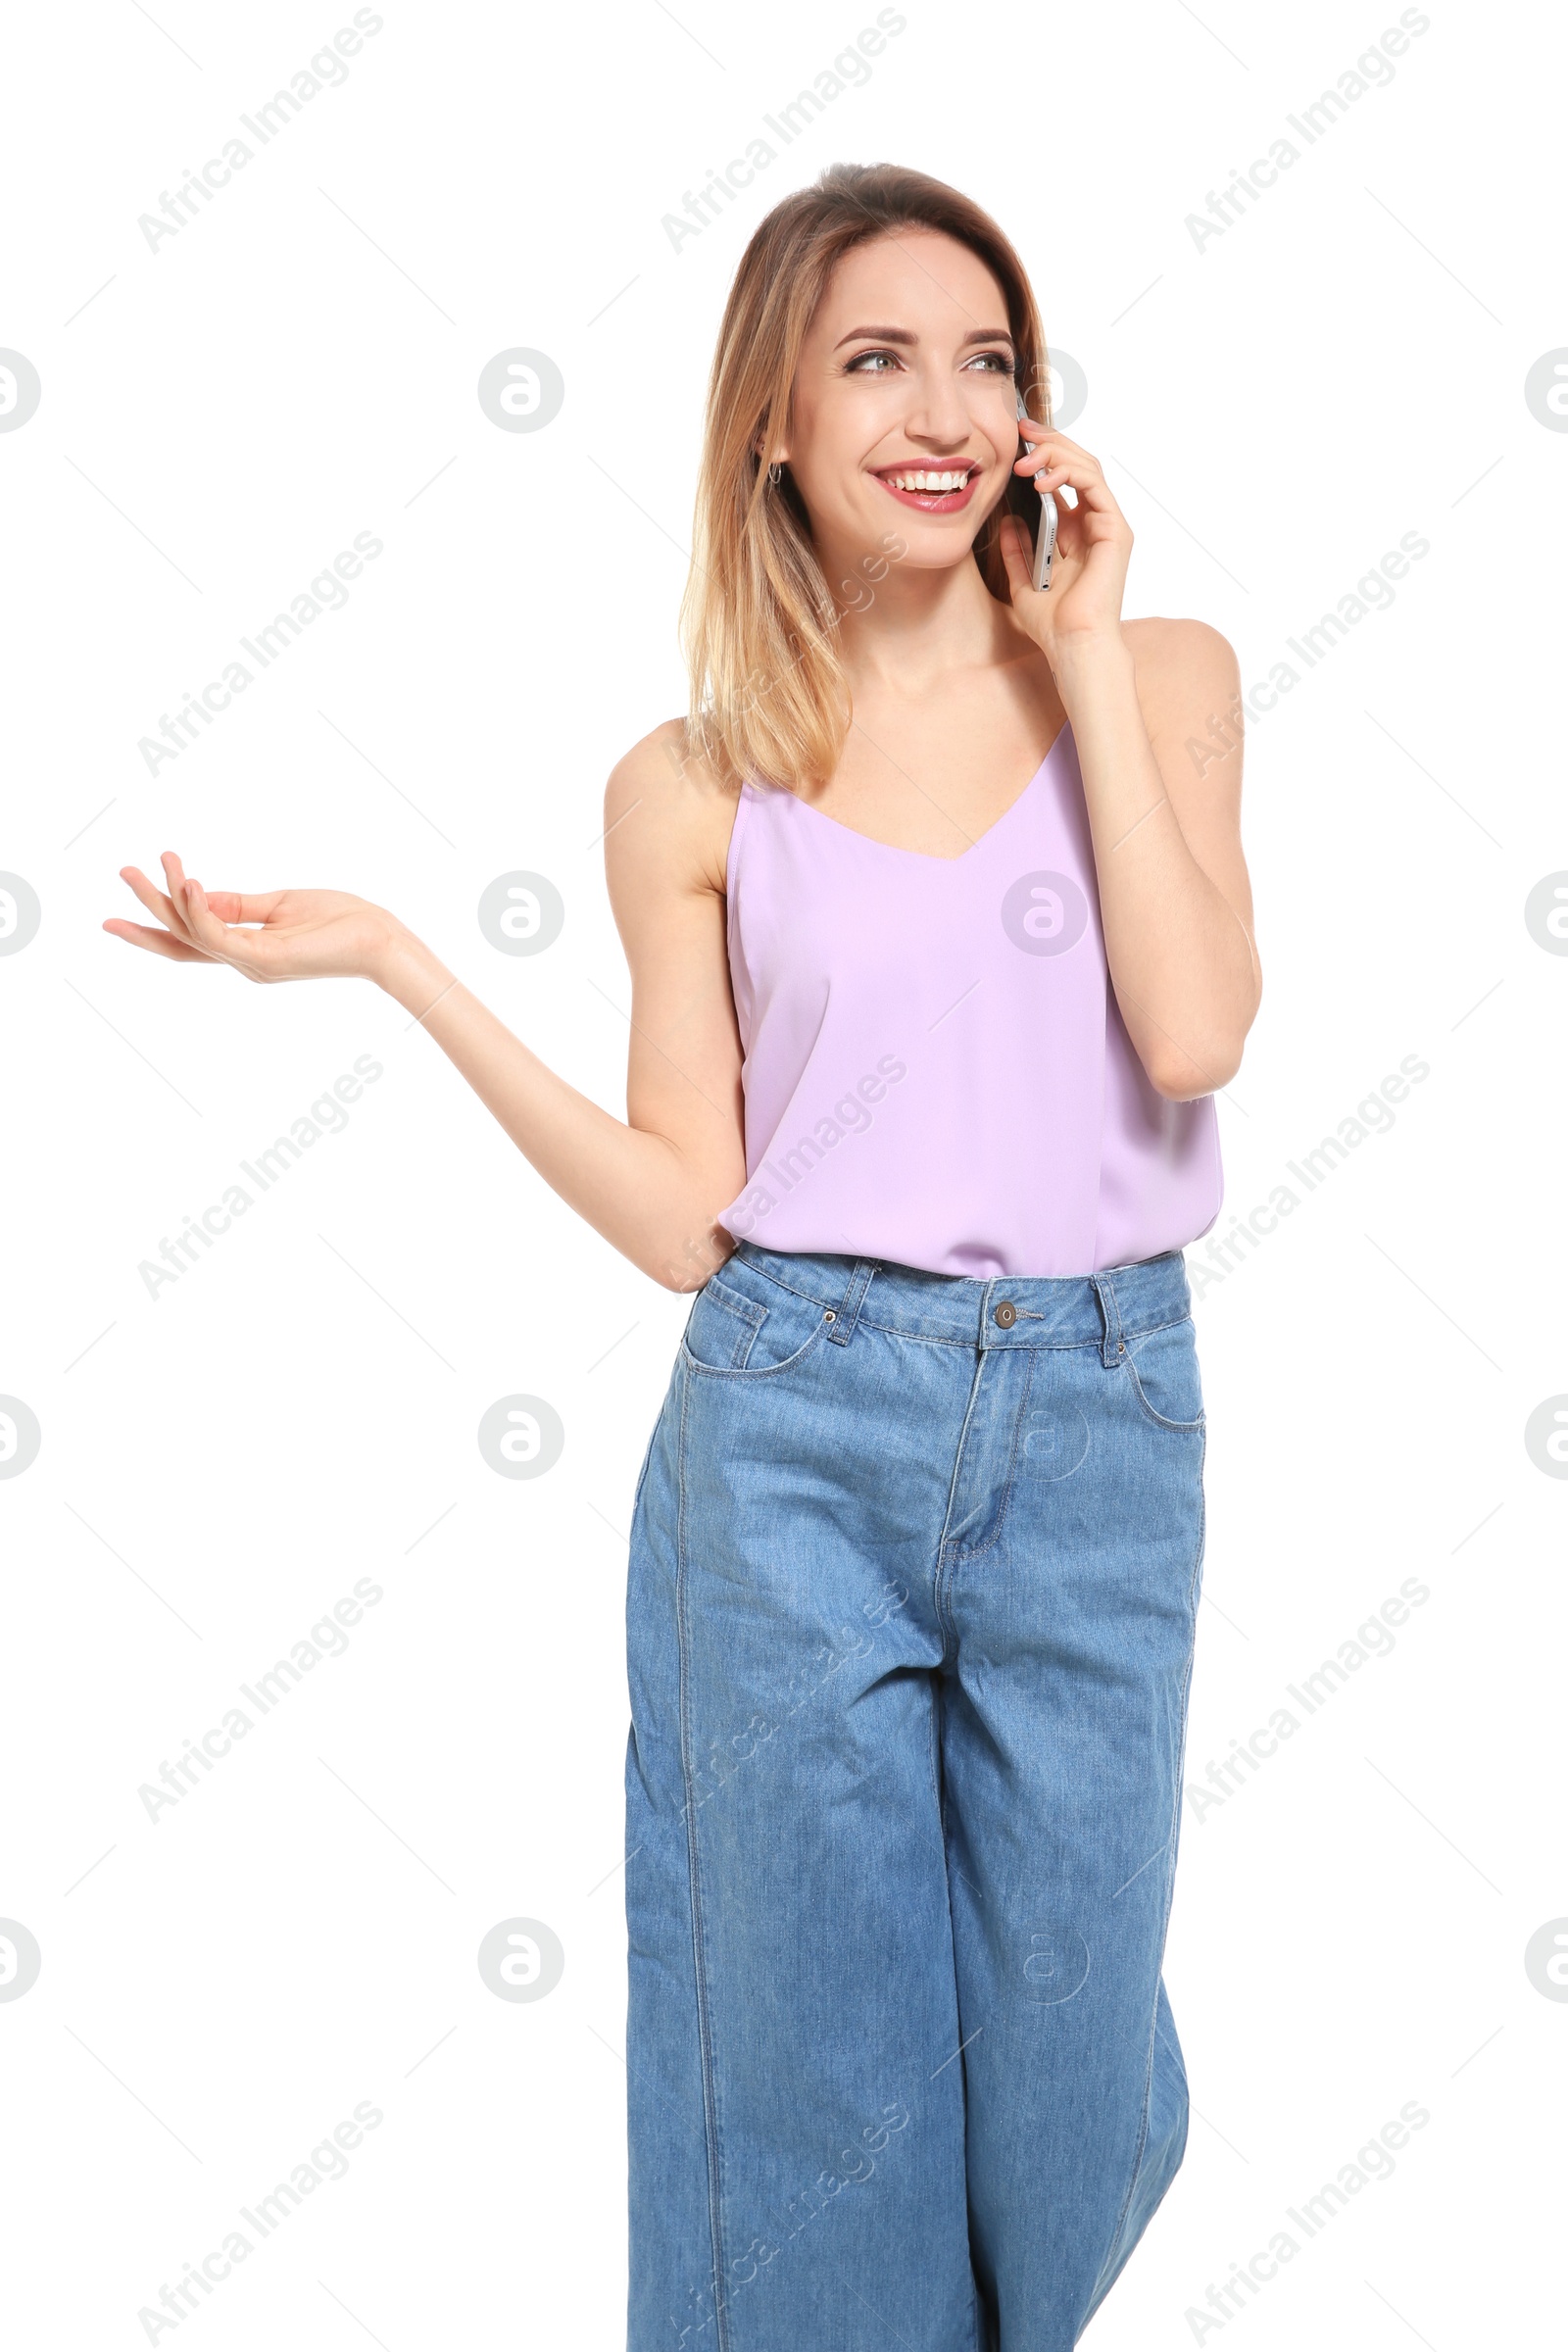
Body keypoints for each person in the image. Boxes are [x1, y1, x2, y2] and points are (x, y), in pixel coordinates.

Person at [107, 162, 1258, 2352]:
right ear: (772, 423)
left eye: (986, 357)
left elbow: (1193, 1033)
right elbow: (681, 1214)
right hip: (790, 1427)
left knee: (1067, 2092)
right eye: (874, 359)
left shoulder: (1162, 674)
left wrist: (1080, 650)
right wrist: (398, 968)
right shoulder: (692, 786)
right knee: (811, 2116)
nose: (942, 408)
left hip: (1103, 1424)